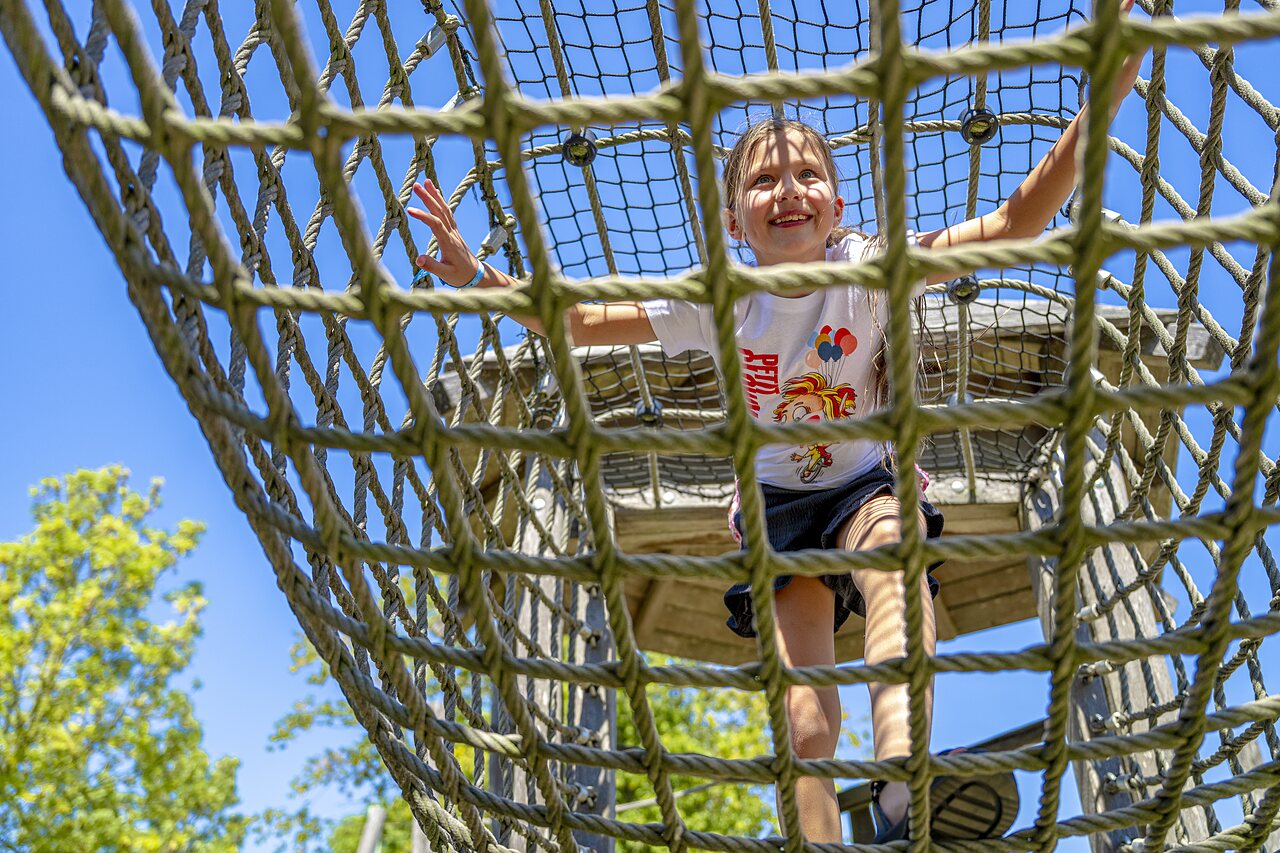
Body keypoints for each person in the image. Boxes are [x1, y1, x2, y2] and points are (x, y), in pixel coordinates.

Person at [408, 5, 1144, 840]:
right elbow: (579, 320)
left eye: (805, 176)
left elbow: (1017, 223)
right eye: (762, 181)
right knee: (803, 720)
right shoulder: (718, 297)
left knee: (897, 575)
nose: (787, 192)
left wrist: (1107, 86)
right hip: (775, 511)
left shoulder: (872, 266)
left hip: (867, 482)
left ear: (836, 204)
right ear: (733, 222)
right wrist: (483, 276)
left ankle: (905, 793)